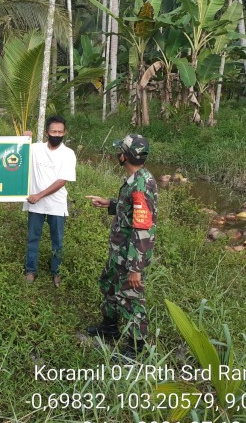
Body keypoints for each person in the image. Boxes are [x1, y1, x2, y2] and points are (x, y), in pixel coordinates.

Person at [85, 134, 158, 359]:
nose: (117, 154)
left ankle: (136, 349)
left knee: (131, 298)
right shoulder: (134, 180)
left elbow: (143, 228)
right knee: (108, 284)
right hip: (119, 251)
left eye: (120, 151)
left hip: (130, 255)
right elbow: (130, 210)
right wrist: (110, 204)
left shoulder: (141, 185)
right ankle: (109, 327)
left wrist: (135, 268)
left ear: (125, 156)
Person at [23, 116, 77, 287]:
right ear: (47, 132)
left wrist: (39, 195)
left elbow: (62, 181)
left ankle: (56, 271)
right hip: (35, 204)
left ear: (65, 133)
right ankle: (31, 270)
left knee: (57, 240)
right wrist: (23, 140)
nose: (57, 135)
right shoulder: (35, 149)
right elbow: (17, 153)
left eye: (60, 132)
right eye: (54, 131)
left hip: (56, 204)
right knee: (33, 238)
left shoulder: (68, 154)